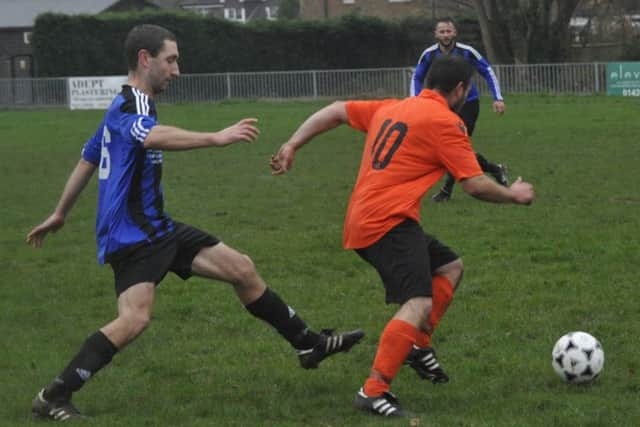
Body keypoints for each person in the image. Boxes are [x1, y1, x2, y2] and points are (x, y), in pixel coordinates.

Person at [27, 24, 364, 422]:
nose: (177, 69)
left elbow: (88, 158)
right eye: (170, 60)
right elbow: (149, 137)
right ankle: (54, 395)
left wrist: (60, 213)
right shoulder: (130, 105)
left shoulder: (129, 105)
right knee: (134, 319)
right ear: (144, 59)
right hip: (134, 235)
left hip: (158, 228)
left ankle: (309, 344)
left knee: (241, 268)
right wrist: (216, 137)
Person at [270, 55, 535, 417]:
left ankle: (416, 345)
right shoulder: (447, 122)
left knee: (450, 267)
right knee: (418, 303)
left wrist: (292, 143)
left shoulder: (394, 107)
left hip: (368, 218)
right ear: (460, 89)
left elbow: (335, 110)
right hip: (386, 223)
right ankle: (373, 390)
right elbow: (474, 185)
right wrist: (513, 196)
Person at [412, 17, 509, 202]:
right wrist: (415, 100)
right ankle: (495, 169)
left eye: (449, 31)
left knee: (455, 146)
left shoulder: (467, 52)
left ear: (455, 33)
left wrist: (498, 98)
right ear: (436, 34)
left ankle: (446, 191)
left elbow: (487, 70)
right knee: (450, 148)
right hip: (441, 106)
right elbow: (417, 77)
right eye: (442, 31)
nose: (446, 35)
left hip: (468, 104)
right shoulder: (429, 54)